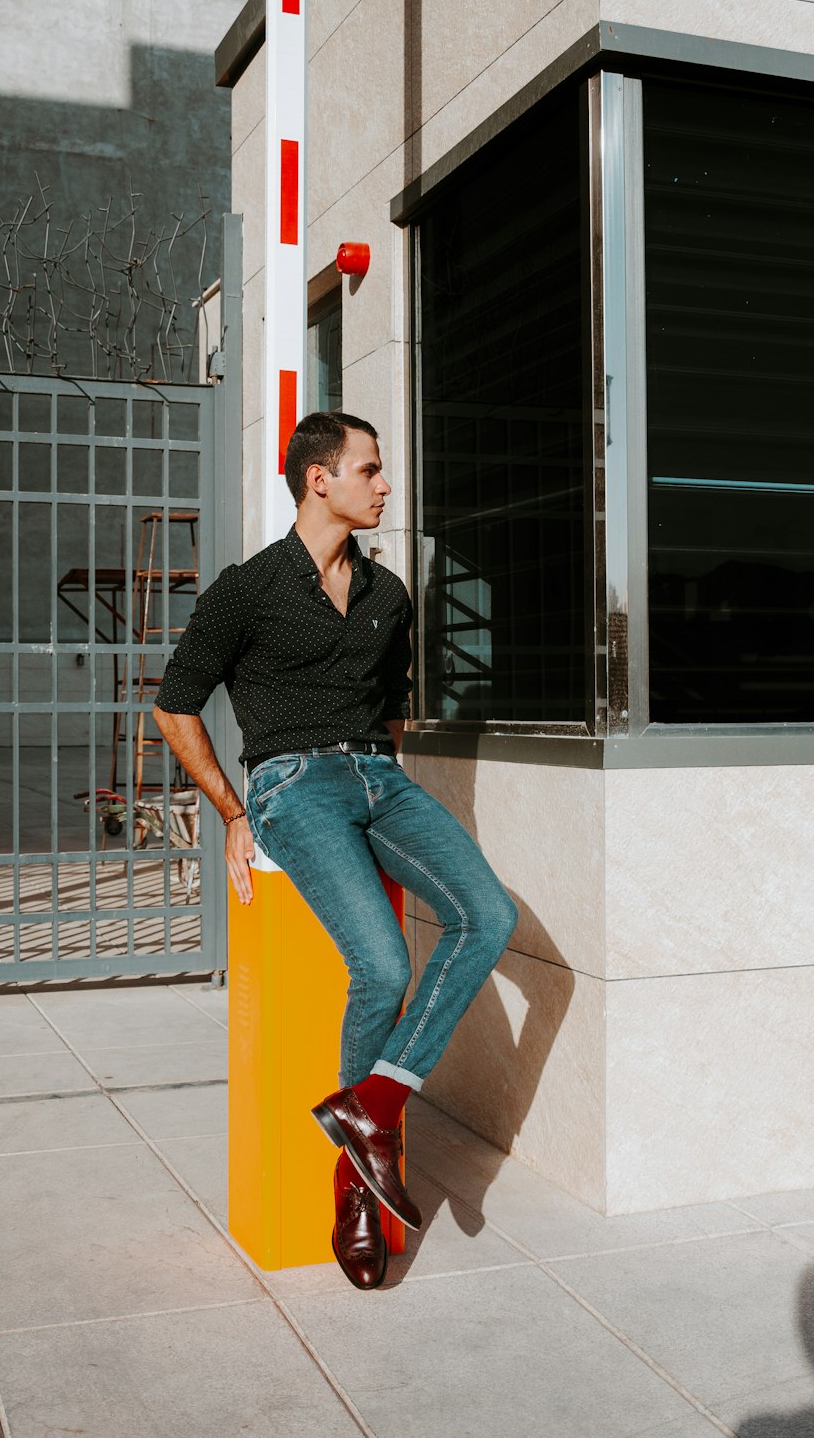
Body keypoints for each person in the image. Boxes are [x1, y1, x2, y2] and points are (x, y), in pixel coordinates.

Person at [152, 411, 517, 1290]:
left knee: (490, 916)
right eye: (371, 469)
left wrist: (402, 793)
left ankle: (371, 1108)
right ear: (321, 479)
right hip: (290, 785)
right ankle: (355, 1187)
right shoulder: (247, 588)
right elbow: (174, 706)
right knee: (384, 968)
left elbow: (387, 707)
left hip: (379, 778)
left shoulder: (388, 596)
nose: (384, 486)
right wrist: (234, 812)